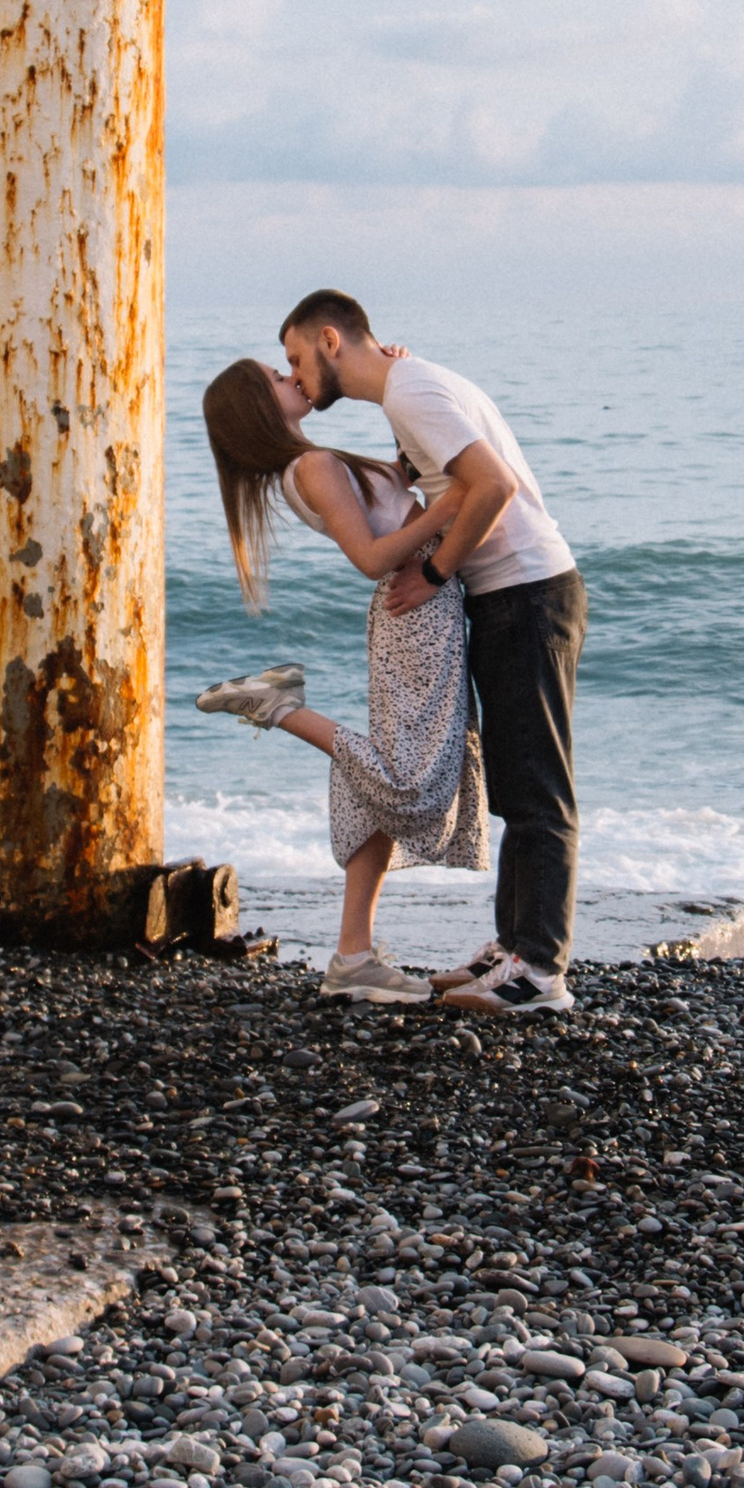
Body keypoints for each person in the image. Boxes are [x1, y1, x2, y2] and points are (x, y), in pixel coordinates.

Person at [277, 290, 586, 1016]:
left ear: (330, 340)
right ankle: (514, 945)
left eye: (296, 358)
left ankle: (539, 973)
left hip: (529, 590)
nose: (295, 374)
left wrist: (435, 570)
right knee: (515, 782)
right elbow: (445, 483)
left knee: (538, 788)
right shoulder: (409, 393)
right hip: (511, 594)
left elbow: (494, 486)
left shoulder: (411, 391)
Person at [195, 358, 488, 1005]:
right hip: (416, 606)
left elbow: (392, 502)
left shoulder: (311, 464)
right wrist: (453, 508)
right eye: (277, 374)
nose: (290, 375)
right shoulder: (312, 468)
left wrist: (399, 386)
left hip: (412, 609)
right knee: (412, 785)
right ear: (258, 408)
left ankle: (353, 956)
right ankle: (276, 705)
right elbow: (373, 556)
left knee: (376, 781)